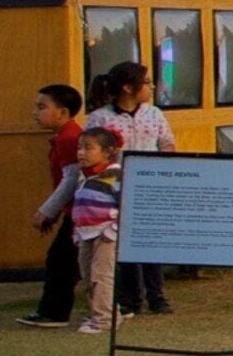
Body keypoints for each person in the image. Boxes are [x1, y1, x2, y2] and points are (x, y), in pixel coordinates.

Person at [90, 62, 176, 315]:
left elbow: (167, 143)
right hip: (117, 188)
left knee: (151, 241)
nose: (150, 87)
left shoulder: (154, 114)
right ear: (128, 87)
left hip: (150, 186)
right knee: (124, 242)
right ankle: (131, 297)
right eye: (146, 82)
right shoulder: (101, 118)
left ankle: (157, 295)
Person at [36, 125, 124, 333]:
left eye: (88, 148)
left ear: (107, 151)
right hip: (85, 234)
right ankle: (105, 312)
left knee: (101, 276)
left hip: (105, 235)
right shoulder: (84, 176)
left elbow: (125, 205)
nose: (81, 153)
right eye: (79, 148)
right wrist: (77, 232)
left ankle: (104, 320)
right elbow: (81, 207)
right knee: (87, 275)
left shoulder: (115, 175)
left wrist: (112, 230)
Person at [18, 84, 85, 328]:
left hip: (81, 212)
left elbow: (72, 179)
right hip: (75, 211)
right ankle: (54, 311)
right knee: (66, 260)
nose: (35, 112)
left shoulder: (69, 139)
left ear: (63, 112)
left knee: (62, 261)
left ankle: (54, 313)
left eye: (42, 107)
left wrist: (46, 211)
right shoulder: (65, 137)